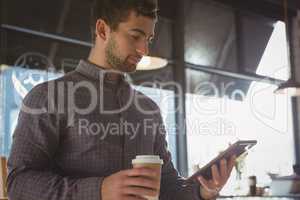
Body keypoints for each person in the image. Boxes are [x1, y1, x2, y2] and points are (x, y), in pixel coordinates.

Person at [7, 0, 236, 199]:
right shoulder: (47, 97)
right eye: (136, 36)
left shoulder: (149, 109)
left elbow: (166, 186)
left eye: (148, 38)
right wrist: (99, 191)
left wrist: (203, 191)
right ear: (103, 30)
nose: (144, 49)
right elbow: (18, 184)